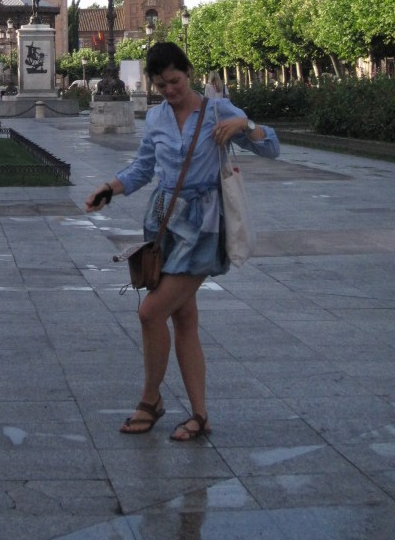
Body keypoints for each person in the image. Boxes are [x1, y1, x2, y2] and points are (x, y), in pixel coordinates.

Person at [85, 42, 280, 442]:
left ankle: (150, 400)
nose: (170, 90)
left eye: (174, 81)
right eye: (161, 85)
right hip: (163, 223)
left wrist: (244, 126)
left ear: (188, 72)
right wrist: (109, 188)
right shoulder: (157, 116)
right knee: (184, 319)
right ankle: (200, 416)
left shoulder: (218, 110)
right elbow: (144, 167)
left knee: (150, 313)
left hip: (204, 225)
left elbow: (271, 146)